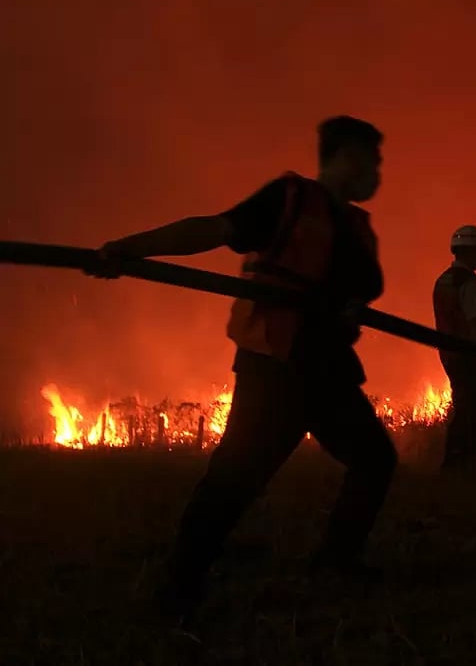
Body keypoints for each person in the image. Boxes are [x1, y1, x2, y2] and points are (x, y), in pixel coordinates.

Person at [86, 116, 397, 622]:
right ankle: (179, 583)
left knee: (375, 460)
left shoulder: (359, 229)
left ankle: (336, 561)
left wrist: (350, 305)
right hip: (275, 365)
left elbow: (360, 288)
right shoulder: (290, 199)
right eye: (371, 160)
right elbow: (214, 228)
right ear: (343, 158)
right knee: (236, 477)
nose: (378, 172)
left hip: (328, 369)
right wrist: (130, 249)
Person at [432, 225, 476, 473]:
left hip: (449, 356)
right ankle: (462, 467)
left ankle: (453, 464)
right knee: (473, 413)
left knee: (462, 407)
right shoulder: (469, 282)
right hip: (469, 357)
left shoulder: (442, 281)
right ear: (470, 252)